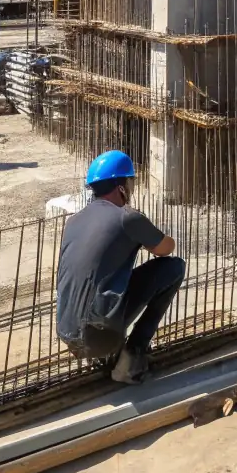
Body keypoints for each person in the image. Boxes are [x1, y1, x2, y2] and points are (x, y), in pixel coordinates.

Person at [56, 150, 186, 384]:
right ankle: (130, 358)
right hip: (97, 338)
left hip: (67, 333)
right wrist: (145, 232)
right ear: (121, 186)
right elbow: (166, 249)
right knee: (173, 268)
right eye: (131, 182)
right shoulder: (127, 217)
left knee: (103, 284)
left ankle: (105, 354)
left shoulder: (73, 221)